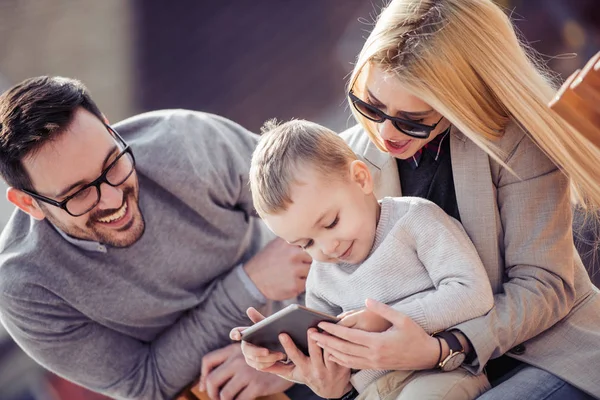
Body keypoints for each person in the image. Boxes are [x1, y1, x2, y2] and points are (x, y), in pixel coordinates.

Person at [242, 0, 600, 399]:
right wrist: (329, 379)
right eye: (370, 105)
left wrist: (442, 348)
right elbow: (352, 326)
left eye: (412, 119)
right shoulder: (342, 164)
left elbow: (545, 287)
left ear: (459, 98)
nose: (386, 132)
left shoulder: (515, 142)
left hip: (546, 354)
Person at [0, 76, 316, 400]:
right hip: (212, 390)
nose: (112, 200)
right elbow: (143, 383)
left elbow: (323, 209)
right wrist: (248, 285)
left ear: (110, 130)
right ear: (29, 203)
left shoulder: (188, 142)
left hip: (314, 316)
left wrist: (288, 350)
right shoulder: (26, 287)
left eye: (111, 164)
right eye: (78, 193)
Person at [235, 119, 494, 399]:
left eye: (332, 222)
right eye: (306, 243)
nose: (328, 247)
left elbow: (475, 293)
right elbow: (336, 372)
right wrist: (287, 354)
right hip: (370, 391)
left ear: (361, 179)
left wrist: (387, 320)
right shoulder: (321, 281)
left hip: (439, 375)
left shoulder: (414, 220)